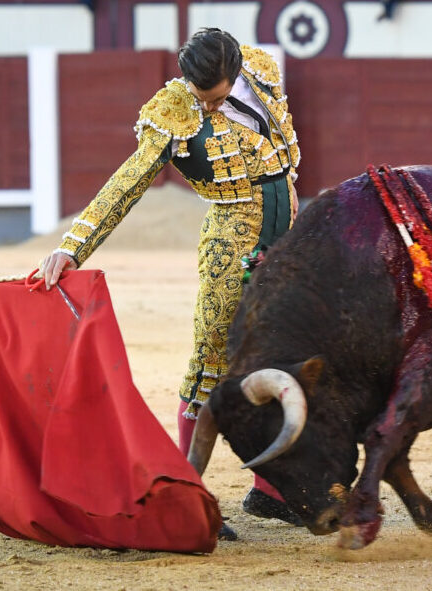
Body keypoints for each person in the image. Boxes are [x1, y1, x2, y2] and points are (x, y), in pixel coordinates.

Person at [38, 28, 303, 531]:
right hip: (230, 245)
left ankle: (269, 492)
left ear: (237, 72)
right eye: (203, 98)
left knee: (277, 355)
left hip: (288, 238)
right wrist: (73, 246)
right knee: (210, 363)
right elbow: (127, 182)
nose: (209, 108)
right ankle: (187, 492)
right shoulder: (173, 112)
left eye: (218, 98)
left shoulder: (260, 70)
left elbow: (279, 159)